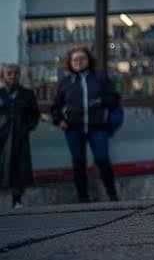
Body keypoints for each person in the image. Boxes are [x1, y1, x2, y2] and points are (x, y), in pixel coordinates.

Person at [50, 47, 120, 202]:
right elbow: (56, 106)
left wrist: (101, 102)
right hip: (73, 128)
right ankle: (83, 198)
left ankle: (112, 194)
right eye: (75, 60)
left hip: (98, 127)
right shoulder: (66, 82)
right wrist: (59, 120)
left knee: (102, 159)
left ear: (88, 60)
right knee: (78, 161)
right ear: (70, 63)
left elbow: (114, 99)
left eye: (82, 59)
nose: (79, 62)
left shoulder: (100, 78)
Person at [0, 64, 39, 208]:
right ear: (3, 75)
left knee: (19, 167)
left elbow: (35, 114)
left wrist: (27, 127)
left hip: (20, 136)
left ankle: (17, 199)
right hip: (2, 137)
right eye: (9, 73)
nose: (12, 76)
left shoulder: (27, 93)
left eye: (15, 73)